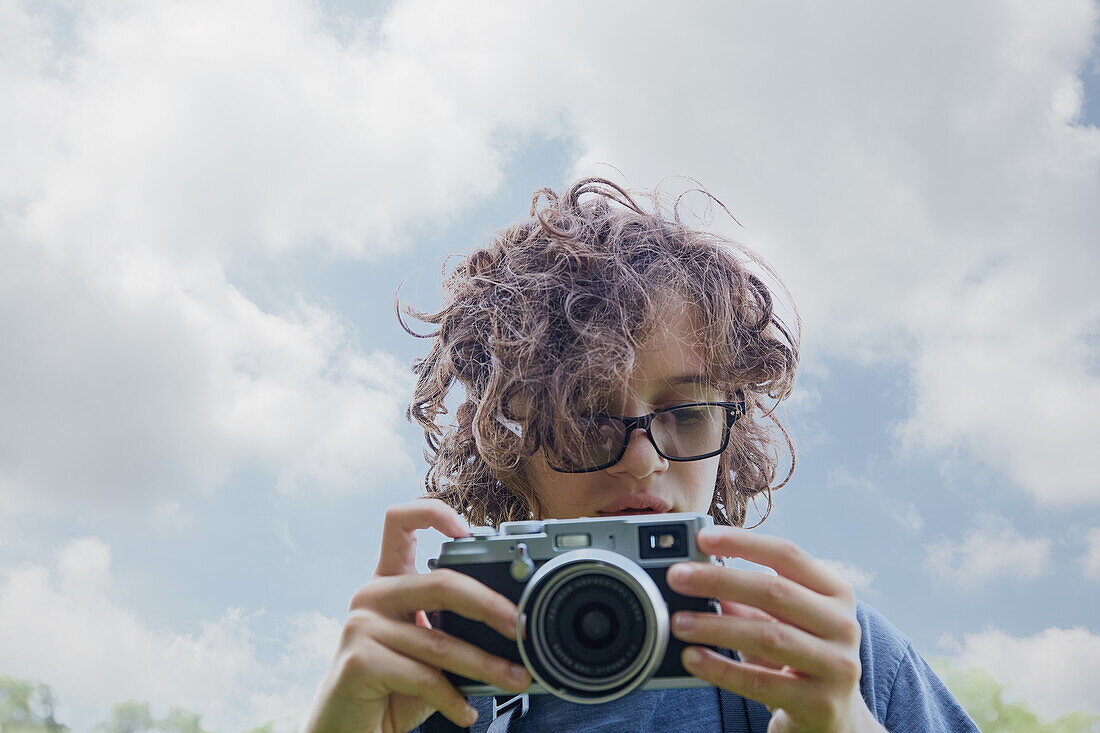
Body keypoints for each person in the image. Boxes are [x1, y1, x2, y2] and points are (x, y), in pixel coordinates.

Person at [303, 178, 979, 732]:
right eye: (584, 415)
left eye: (684, 414)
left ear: (729, 428)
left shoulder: (829, 658)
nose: (640, 459)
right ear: (508, 445)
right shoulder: (432, 674)